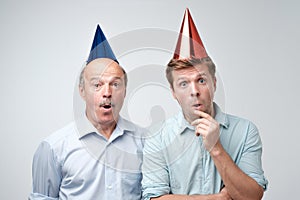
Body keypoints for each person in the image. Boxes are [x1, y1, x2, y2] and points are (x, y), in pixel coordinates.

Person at [142, 8, 268, 200]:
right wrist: (217, 198)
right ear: (173, 92)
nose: (194, 91)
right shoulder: (157, 138)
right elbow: (154, 198)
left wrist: (216, 148)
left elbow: (252, 197)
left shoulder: (245, 131)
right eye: (183, 84)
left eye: (201, 80)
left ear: (213, 83)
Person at [29, 24, 145, 200]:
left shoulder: (146, 142)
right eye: (97, 85)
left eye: (115, 84)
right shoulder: (53, 148)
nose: (107, 93)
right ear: (82, 91)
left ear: (125, 91)